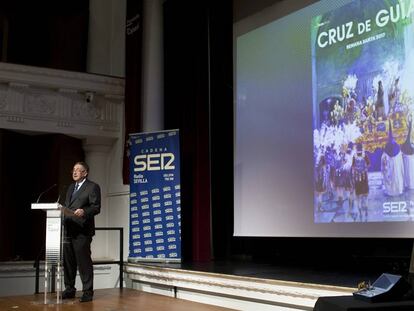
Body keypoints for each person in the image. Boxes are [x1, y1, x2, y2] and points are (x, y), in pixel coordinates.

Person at [62, 162, 101, 302]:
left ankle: (87, 292)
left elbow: (96, 207)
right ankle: (69, 289)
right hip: (68, 230)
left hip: (82, 231)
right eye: (73, 170)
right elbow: (67, 206)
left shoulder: (92, 187)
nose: (75, 172)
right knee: (68, 262)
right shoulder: (71, 187)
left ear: (85, 173)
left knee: (84, 263)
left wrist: (84, 211)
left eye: (78, 170)